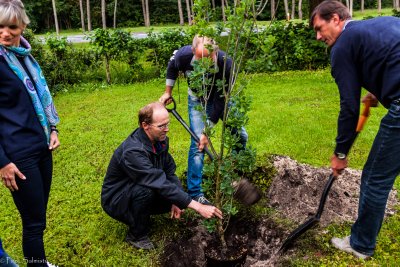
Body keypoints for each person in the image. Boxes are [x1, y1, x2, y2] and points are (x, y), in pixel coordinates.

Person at [311, 0, 400, 260]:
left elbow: (349, 107)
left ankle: (360, 244)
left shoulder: (342, 46)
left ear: (336, 19)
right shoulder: (378, 25)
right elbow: (390, 54)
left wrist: (340, 153)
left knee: (375, 177)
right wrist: (379, 87)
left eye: (319, 28)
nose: (318, 37)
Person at [101, 102, 223, 250]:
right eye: (161, 126)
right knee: (146, 191)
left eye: (168, 124)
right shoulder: (133, 151)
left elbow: (169, 171)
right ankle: (136, 235)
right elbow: (157, 181)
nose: (167, 129)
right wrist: (198, 206)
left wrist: (176, 200)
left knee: (176, 195)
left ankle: (141, 215)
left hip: (140, 186)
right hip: (117, 199)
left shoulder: (160, 140)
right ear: (145, 125)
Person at [0, 0, 60, 266]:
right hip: (17, 154)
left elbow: (38, 96)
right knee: (33, 223)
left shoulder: (24, 56)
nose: (4, 32)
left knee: (39, 217)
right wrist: (2, 162)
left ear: (23, 26)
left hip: (41, 146)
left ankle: (40, 263)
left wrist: (53, 128)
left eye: (11, 26)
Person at [159, 35, 248, 204]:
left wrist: (208, 130)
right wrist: (167, 92)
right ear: (193, 52)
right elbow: (172, 67)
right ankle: (195, 193)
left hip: (221, 97)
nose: (206, 63)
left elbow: (221, 101)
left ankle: (232, 170)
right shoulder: (183, 56)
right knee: (198, 145)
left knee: (240, 135)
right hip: (197, 98)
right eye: (201, 58)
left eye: (209, 57)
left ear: (215, 51)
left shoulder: (226, 63)